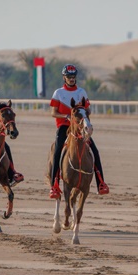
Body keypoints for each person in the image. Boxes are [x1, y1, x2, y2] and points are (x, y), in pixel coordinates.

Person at [49, 64, 109, 199]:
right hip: (64, 127)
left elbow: (88, 110)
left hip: (80, 127)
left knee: (94, 151)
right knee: (57, 151)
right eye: (69, 77)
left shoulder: (81, 92)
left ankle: (101, 183)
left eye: (73, 76)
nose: (71, 79)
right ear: (64, 78)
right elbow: (53, 112)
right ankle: (54, 185)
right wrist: (66, 116)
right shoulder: (58, 93)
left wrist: (83, 116)